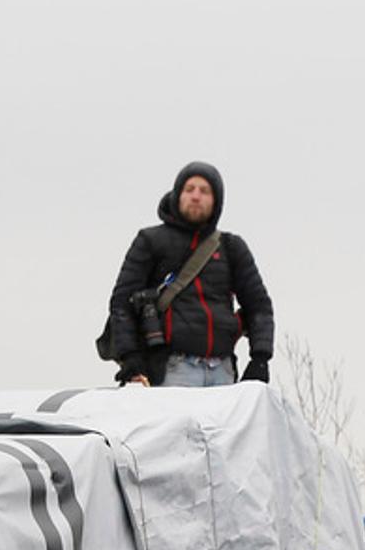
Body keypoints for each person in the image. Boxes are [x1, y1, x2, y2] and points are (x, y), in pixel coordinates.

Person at [103, 162, 275, 389]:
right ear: (177, 195)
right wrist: (130, 357)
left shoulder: (231, 247)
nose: (196, 196)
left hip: (222, 370)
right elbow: (121, 303)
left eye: (205, 191)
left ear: (216, 201)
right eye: (189, 189)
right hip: (172, 368)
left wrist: (260, 358)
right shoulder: (151, 241)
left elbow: (258, 305)